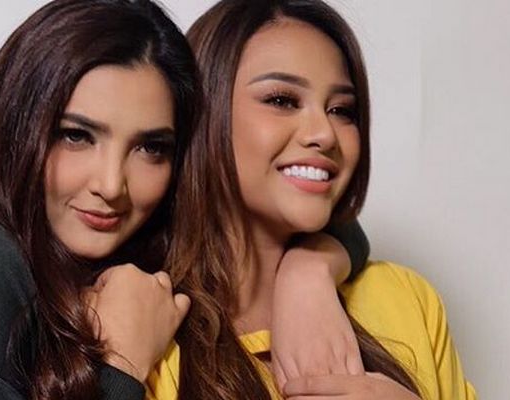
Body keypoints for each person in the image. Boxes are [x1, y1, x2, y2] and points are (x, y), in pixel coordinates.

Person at [0, 1, 370, 399]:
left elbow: (323, 219)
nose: (112, 184)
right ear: (16, 127)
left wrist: (307, 272)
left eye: (151, 148)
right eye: (77, 135)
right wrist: (122, 362)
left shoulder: (114, 262)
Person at [140, 1, 478, 399]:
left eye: (342, 110)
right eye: (282, 100)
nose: (325, 133)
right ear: (203, 111)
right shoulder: (139, 321)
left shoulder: (405, 297)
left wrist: (309, 270)